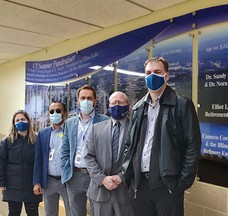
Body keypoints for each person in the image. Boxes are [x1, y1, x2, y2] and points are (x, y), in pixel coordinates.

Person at [122, 57, 202, 216]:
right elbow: (129, 145)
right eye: (148, 73)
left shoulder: (182, 105)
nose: (152, 76)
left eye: (157, 72)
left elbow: (192, 146)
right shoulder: (138, 108)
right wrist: (128, 173)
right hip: (139, 185)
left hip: (167, 186)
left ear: (166, 76)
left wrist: (181, 184)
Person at [61, 84, 109, 216]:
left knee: (97, 212)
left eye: (89, 98)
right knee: (76, 213)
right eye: (83, 98)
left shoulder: (105, 121)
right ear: (78, 100)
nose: (86, 101)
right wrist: (65, 169)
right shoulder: (70, 123)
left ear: (94, 101)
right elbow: (65, 150)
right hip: (74, 176)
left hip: (95, 176)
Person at [85, 91, 134, 216]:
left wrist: (122, 176)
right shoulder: (96, 129)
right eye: (114, 103)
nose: (117, 105)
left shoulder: (136, 128)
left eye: (121, 102)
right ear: (109, 105)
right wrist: (102, 179)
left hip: (126, 192)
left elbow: (138, 157)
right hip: (100, 191)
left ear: (128, 105)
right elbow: (89, 157)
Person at [0, 110, 42, 216]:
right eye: (17, 120)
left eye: (22, 119)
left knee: (33, 213)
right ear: (14, 123)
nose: (20, 122)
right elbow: (1, 162)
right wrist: (2, 182)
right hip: (12, 184)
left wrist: (39, 182)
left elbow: (40, 163)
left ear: (28, 121)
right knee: (13, 213)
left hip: (31, 186)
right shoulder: (7, 141)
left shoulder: (37, 141)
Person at [33, 101, 71, 216]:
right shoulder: (42, 134)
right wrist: (37, 182)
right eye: (52, 111)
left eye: (58, 111)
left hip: (67, 181)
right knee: (50, 213)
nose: (55, 113)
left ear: (64, 113)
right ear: (48, 114)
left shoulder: (70, 131)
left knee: (73, 212)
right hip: (49, 181)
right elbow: (38, 159)